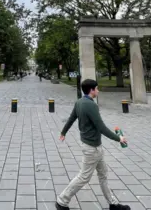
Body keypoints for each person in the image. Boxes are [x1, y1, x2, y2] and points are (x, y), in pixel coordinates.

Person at [56, 79, 130, 210]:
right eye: (97, 88)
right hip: (92, 148)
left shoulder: (79, 102)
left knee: (103, 174)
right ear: (91, 90)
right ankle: (62, 201)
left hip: (93, 146)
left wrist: (63, 132)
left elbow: (71, 118)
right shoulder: (91, 105)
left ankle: (113, 204)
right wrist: (119, 138)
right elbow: (101, 127)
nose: (98, 90)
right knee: (84, 177)